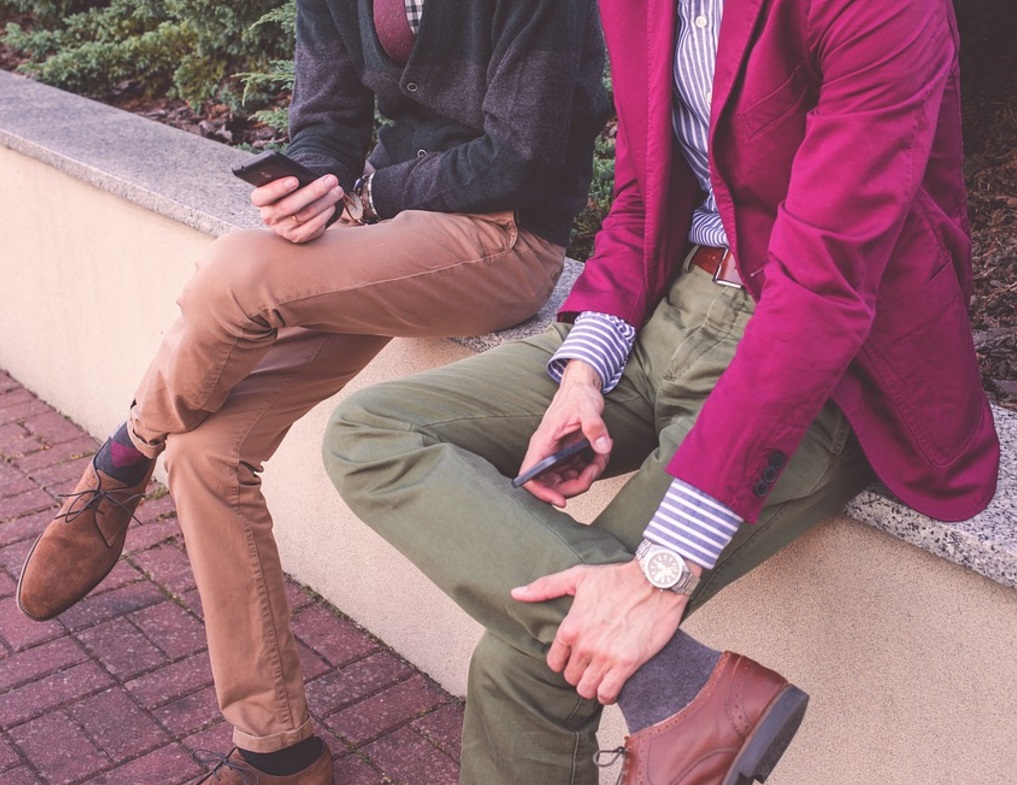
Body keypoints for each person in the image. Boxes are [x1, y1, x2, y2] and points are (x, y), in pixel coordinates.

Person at [323, 0, 1001, 783]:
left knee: (527, 671)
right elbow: (643, 196)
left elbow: (824, 288)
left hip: (820, 361)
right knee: (372, 429)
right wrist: (582, 373)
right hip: (671, 308)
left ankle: (675, 684)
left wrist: (662, 571)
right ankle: (679, 684)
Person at [16, 1, 609, 782]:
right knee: (206, 451)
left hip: (500, 238)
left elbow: (517, 158)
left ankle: (124, 452)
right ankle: (277, 749)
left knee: (237, 270)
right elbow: (326, 122)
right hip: (385, 236)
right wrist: (308, 185)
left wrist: (363, 192)